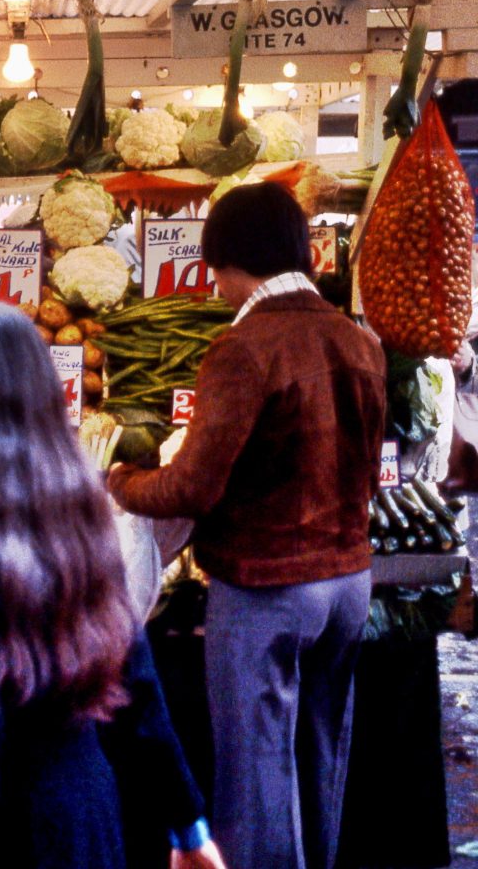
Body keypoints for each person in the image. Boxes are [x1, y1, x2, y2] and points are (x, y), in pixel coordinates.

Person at [0, 303, 223, 869]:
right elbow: (137, 688)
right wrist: (188, 827)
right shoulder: (75, 530)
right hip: (84, 827)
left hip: (5, 843)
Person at [109, 182, 387, 869]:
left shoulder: (244, 348)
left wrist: (121, 484)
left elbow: (195, 484)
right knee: (322, 754)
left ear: (230, 260)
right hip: (349, 582)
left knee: (258, 767)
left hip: (266, 588)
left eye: (216, 270)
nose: (215, 286)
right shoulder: (360, 341)